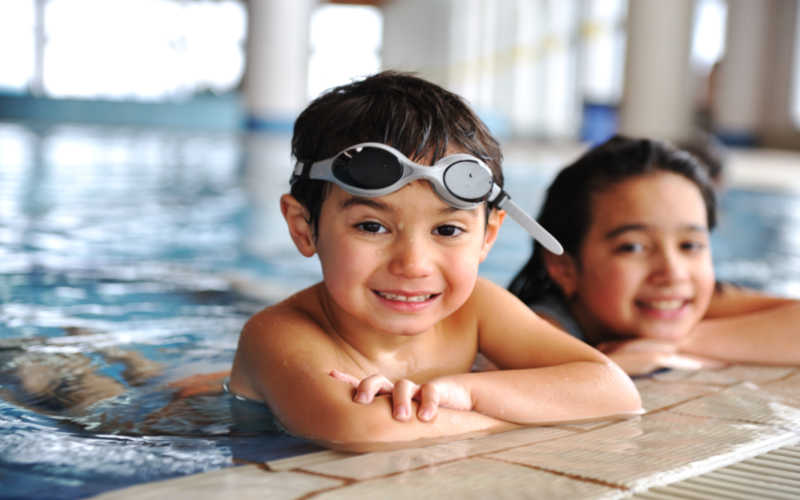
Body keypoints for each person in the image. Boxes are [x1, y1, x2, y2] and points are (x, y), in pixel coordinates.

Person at [227, 71, 642, 453]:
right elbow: (365, 431)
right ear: (304, 227)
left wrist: (465, 394)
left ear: (488, 236)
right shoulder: (277, 334)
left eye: (447, 231)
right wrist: (522, 413)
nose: (413, 264)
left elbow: (615, 392)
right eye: (372, 226)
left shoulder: (476, 307)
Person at [508, 135, 800, 376]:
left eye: (690, 245)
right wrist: (607, 369)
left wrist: (679, 344)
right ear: (564, 267)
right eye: (633, 247)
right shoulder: (533, 332)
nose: (673, 272)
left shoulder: (676, 301)